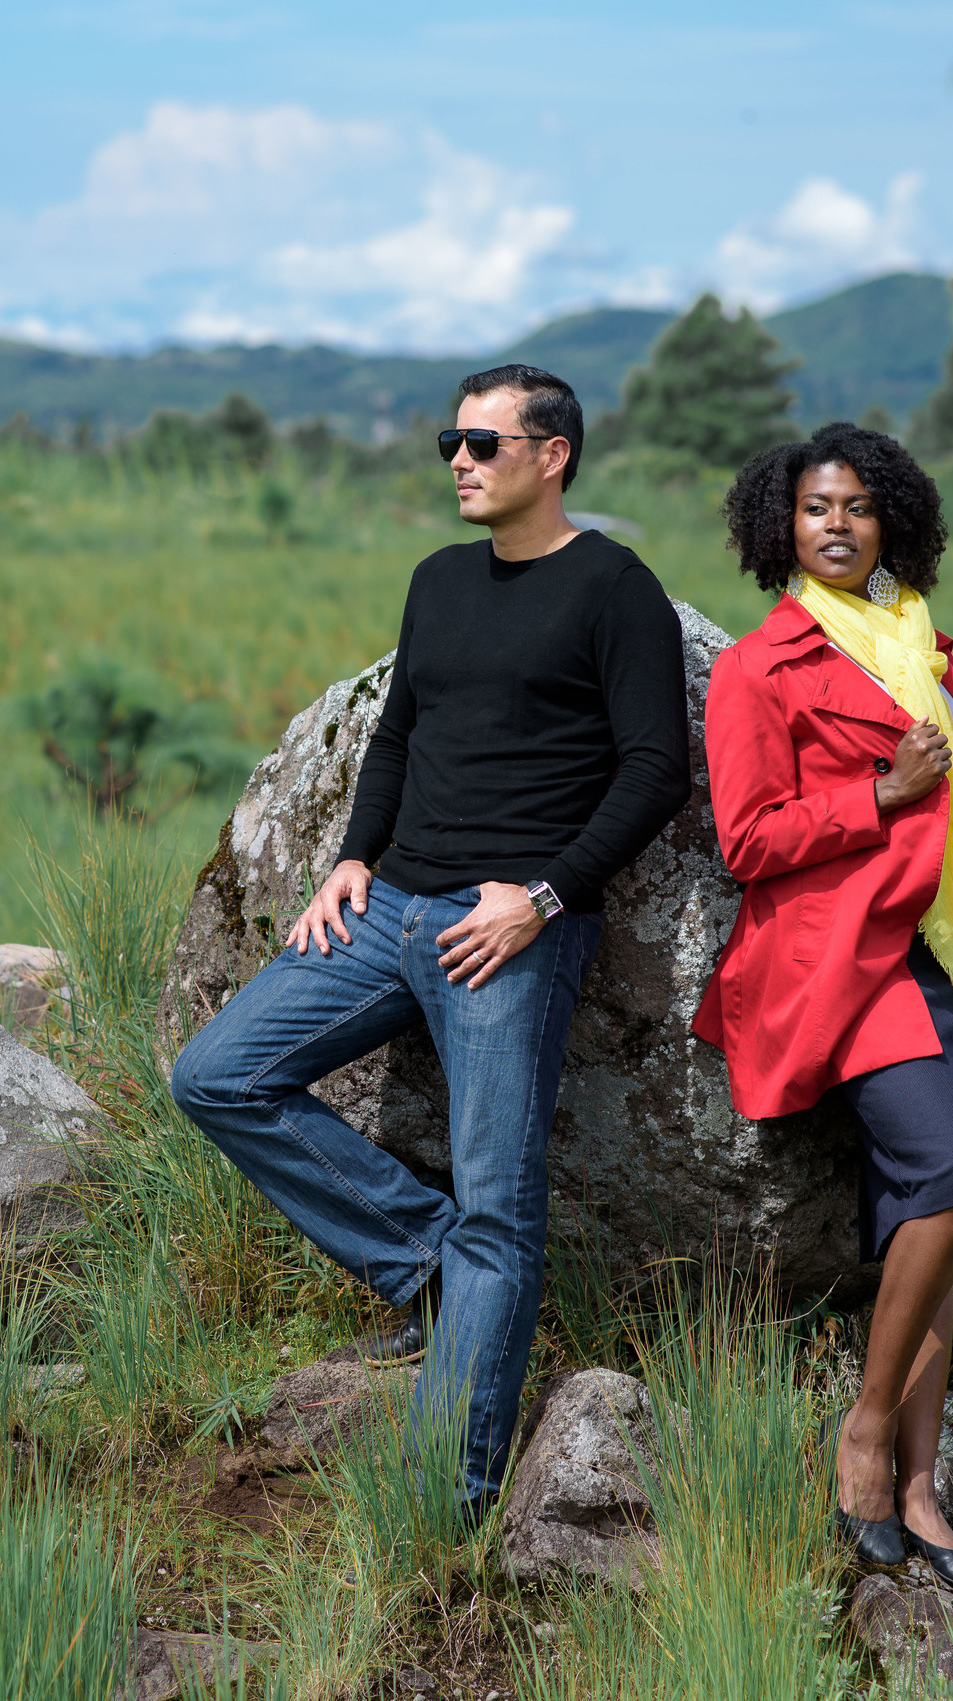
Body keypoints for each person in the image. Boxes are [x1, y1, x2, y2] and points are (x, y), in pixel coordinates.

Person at [169, 365, 693, 1515]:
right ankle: (425, 1262)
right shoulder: (438, 580)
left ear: (551, 455)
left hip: (503, 933)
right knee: (216, 1073)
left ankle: (438, 1504)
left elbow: (657, 768)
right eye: (449, 442)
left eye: (481, 442)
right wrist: (351, 856)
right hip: (387, 908)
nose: (457, 460)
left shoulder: (616, 588)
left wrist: (544, 898)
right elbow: (398, 734)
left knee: (501, 1204)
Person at [690, 422, 953, 1596]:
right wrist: (876, 791)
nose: (834, 525)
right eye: (812, 509)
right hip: (846, 960)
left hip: (936, 953)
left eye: (855, 508)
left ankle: (923, 1498)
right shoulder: (759, 666)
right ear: (777, 527)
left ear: (891, 520)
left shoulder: (916, 640)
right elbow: (746, 840)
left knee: (916, 1231)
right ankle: (865, 1434)